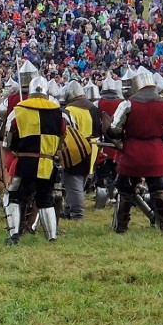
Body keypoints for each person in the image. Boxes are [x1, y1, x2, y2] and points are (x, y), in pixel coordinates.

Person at [108, 71, 163, 233]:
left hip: (132, 152)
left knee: (126, 192)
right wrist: (162, 139)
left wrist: (122, 137)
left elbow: (114, 129)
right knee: (159, 191)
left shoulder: (128, 104)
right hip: (155, 152)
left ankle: (121, 227)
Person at [2, 76, 66, 245]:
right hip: (47, 162)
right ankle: (51, 236)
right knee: (45, 199)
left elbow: (7, 141)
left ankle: (14, 234)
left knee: (12, 196)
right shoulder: (59, 113)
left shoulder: (18, 111)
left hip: (24, 163)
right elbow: (61, 138)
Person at [61, 80, 101, 220]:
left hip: (76, 148)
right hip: (93, 147)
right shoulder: (93, 108)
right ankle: (67, 210)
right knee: (80, 180)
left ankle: (77, 213)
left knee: (73, 182)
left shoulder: (70, 110)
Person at [94, 75, 124, 209]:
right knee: (117, 172)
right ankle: (117, 196)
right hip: (119, 143)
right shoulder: (123, 103)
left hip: (104, 143)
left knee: (103, 174)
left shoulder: (97, 104)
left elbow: (97, 124)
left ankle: (102, 199)